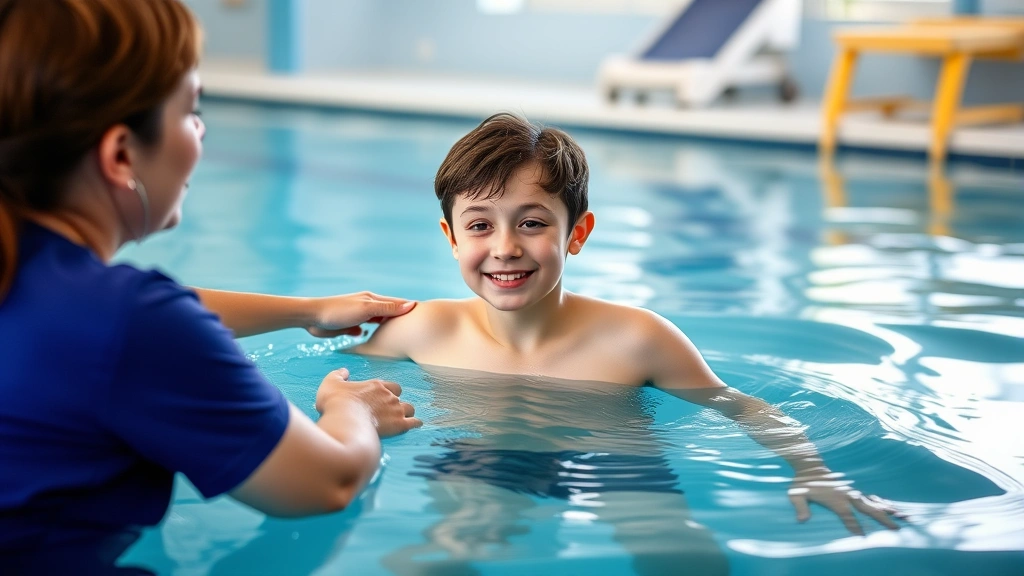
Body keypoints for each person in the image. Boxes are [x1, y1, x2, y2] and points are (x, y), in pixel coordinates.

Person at [353, 113, 904, 569]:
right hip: (477, 457)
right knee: (435, 559)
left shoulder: (638, 339)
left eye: (532, 223)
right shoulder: (422, 329)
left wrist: (813, 468)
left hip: (613, 462)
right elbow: (339, 387)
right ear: (451, 237)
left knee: (682, 555)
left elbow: (742, 407)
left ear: (577, 234)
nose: (505, 248)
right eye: (479, 226)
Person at [0, 0, 421, 571]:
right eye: (191, 111)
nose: (200, 132)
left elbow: (108, 323)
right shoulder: (131, 323)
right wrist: (352, 410)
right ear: (122, 154)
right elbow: (328, 482)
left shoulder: (46, 281)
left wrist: (308, 309)